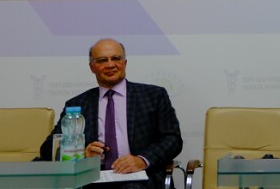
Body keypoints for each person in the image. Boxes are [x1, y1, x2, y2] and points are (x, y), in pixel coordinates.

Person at [39, 38, 183, 189]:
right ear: (92, 67)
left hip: (141, 177)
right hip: (92, 179)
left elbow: (172, 139)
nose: (110, 65)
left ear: (125, 63)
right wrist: (82, 154)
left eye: (116, 58)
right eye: (102, 60)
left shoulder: (153, 96)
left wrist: (142, 160)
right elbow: (48, 149)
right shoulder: (77, 104)